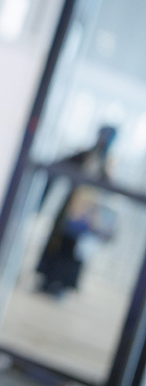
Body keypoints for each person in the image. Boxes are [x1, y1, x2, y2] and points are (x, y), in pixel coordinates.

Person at [35, 125, 117, 296]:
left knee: (73, 250)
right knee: (57, 244)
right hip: (71, 208)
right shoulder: (85, 155)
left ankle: (61, 285)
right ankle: (47, 279)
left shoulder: (108, 163)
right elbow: (62, 164)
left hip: (87, 213)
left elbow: (108, 187)